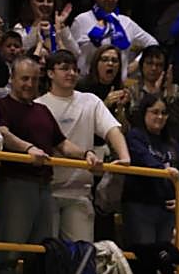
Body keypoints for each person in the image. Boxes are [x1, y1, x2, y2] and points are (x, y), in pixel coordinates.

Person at [0, 55, 100, 274]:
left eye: (34, 79)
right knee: (9, 250)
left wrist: (86, 153)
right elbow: (2, 133)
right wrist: (27, 149)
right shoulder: (2, 106)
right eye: (24, 78)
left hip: (43, 187)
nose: (29, 84)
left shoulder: (41, 111)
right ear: (13, 79)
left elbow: (62, 143)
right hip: (16, 183)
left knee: (40, 256)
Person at [35, 49, 130, 244]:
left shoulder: (90, 101)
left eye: (74, 69)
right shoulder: (39, 105)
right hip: (46, 190)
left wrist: (124, 156)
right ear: (51, 73)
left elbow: (112, 128)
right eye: (64, 68)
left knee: (82, 255)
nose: (71, 73)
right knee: (46, 255)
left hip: (80, 191)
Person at [123, 92, 179, 274]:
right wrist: (166, 171)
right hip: (139, 205)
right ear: (144, 113)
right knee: (143, 260)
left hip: (164, 209)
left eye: (163, 113)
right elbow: (143, 161)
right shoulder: (135, 136)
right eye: (154, 112)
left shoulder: (171, 144)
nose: (159, 117)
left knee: (160, 263)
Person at [72, 0, 157, 78]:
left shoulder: (126, 22)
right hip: (87, 84)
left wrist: (137, 62)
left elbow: (153, 44)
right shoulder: (81, 20)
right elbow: (72, 53)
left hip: (119, 84)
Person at [13, 0, 79, 61]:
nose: (45, 4)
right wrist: (37, 20)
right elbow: (22, 53)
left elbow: (75, 54)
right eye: (40, 0)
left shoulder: (57, 28)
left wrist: (62, 26)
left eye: (49, 1)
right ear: (32, 3)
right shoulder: (20, 27)